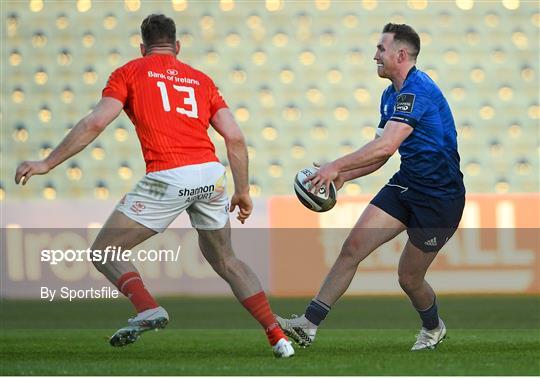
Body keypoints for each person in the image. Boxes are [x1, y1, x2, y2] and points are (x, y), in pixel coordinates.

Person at [14, 14, 294, 358]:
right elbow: (234, 136)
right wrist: (243, 190)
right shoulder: (201, 80)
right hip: (210, 175)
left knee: (105, 251)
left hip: (168, 175)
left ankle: (147, 308)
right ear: (177, 46)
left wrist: (46, 163)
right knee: (227, 260)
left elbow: (96, 121)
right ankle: (277, 337)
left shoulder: (129, 72)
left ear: (142, 46)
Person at [277, 23, 465, 351]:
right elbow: (380, 153)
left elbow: (385, 147)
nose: (374, 55)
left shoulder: (416, 92)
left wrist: (335, 165)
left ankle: (433, 327)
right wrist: (345, 177)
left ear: (400, 54)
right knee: (352, 248)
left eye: (381, 49)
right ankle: (308, 325)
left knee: (409, 278)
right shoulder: (390, 94)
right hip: (407, 184)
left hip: (440, 198)